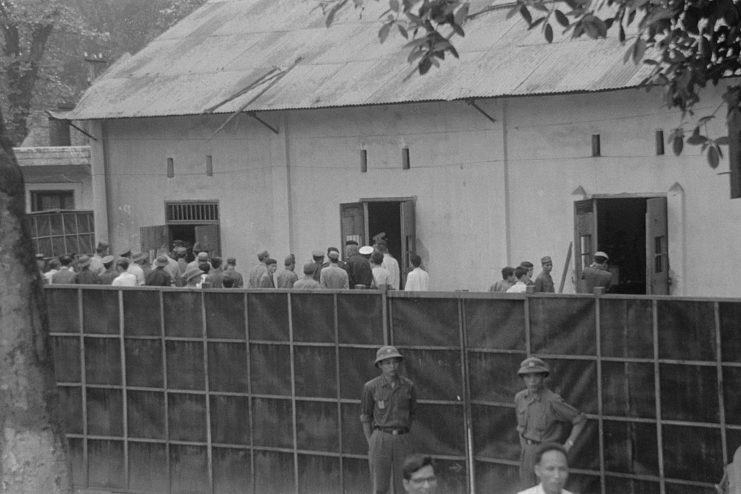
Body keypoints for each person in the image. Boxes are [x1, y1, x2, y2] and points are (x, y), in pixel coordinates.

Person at [514, 357, 585, 489]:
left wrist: (568, 445)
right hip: (527, 454)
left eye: (537, 376)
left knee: (549, 490)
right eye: (528, 376)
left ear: (543, 377)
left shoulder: (552, 401)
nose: (532, 380)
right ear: (523, 378)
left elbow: (580, 419)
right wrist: (526, 447)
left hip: (547, 453)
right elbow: (521, 427)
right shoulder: (520, 398)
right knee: (527, 490)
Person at [361, 345, 417, 494]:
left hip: (402, 438)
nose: (392, 367)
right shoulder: (371, 387)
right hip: (380, 437)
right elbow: (366, 417)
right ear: (380, 365)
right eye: (387, 363)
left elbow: (412, 414)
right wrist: (372, 441)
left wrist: (403, 432)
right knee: (380, 485)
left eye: (395, 362)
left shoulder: (408, 386)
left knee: (403, 484)